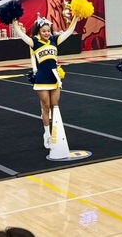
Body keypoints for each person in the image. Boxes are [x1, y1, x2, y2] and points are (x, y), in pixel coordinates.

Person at [14, 12, 80, 147]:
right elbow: (22, 35)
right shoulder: (34, 42)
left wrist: (76, 18)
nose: (47, 33)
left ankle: (56, 133)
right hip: (42, 78)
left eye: (48, 31)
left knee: (55, 106)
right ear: (39, 31)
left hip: (54, 77)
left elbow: (69, 32)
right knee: (46, 106)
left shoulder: (55, 40)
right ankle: (47, 135)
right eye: (44, 31)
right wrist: (14, 22)